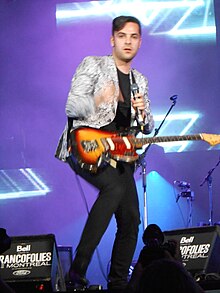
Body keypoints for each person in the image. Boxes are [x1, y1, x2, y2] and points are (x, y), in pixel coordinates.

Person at [55, 15, 154, 291]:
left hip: (121, 154)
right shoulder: (94, 64)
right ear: (113, 39)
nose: (128, 42)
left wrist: (143, 113)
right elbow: (72, 107)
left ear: (139, 42)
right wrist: (100, 98)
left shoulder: (140, 80)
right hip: (85, 144)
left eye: (134, 37)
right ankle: (78, 270)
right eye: (122, 36)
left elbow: (148, 126)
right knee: (112, 188)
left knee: (131, 218)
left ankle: (118, 282)